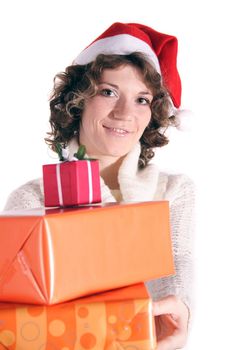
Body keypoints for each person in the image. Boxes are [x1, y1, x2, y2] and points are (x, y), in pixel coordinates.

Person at [4, 22, 195, 349]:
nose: (124, 114)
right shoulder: (32, 199)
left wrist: (180, 315)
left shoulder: (173, 192)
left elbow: (179, 265)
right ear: (78, 101)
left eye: (142, 100)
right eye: (108, 92)